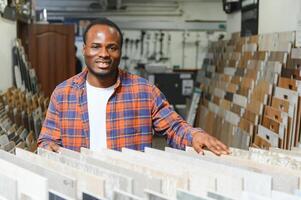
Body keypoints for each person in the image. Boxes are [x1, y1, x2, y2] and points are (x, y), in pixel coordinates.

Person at [38, 18, 230, 155]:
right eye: (96, 46)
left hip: (128, 186)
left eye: (111, 47)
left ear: (120, 51)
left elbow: (175, 127)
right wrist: (48, 148)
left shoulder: (144, 92)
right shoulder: (63, 94)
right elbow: (47, 139)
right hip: (81, 182)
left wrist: (196, 135)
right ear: (85, 50)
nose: (104, 54)